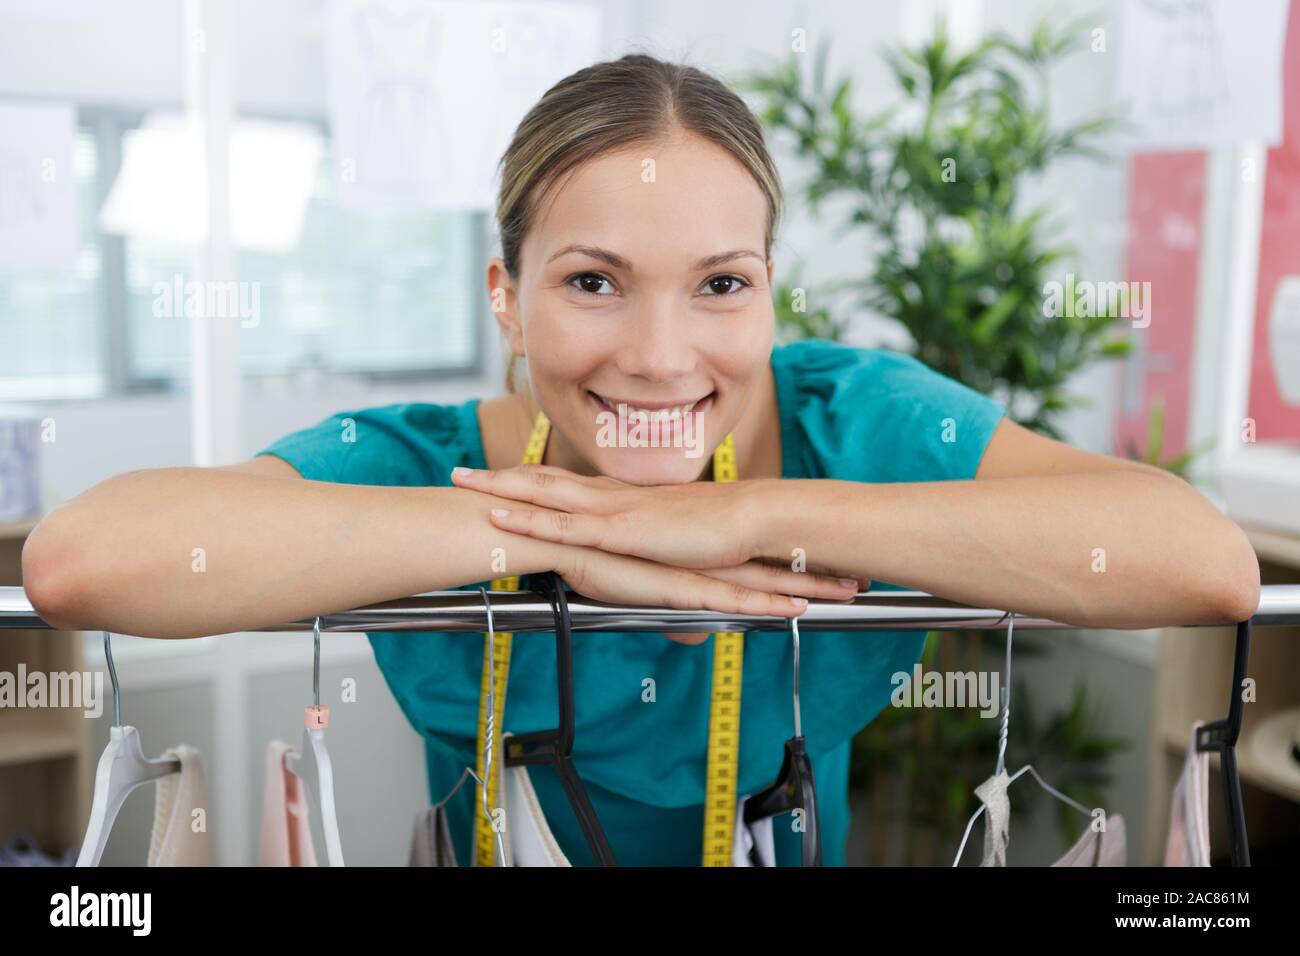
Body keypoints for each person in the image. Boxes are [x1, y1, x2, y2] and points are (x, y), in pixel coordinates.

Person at [22, 54, 1260, 866]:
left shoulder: (857, 421)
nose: (662, 355)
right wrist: (555, 534)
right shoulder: (424, 465)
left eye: (721, 283)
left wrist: (743, 518)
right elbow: (85, 561)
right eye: (592, 282)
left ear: (773, 291)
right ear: (505, 298)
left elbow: (1200, 561)